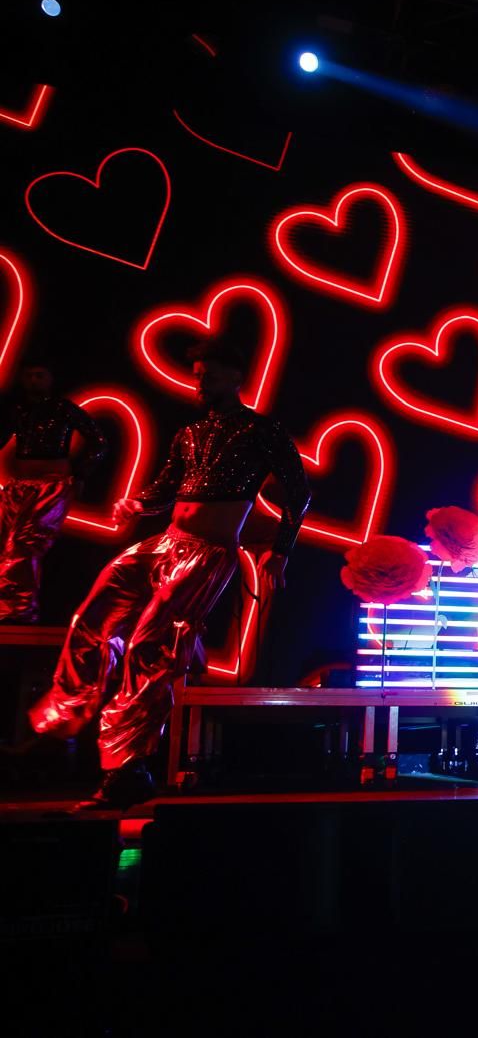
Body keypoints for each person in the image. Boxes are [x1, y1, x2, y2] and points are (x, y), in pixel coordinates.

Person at [29, 343, 311, 810]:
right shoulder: (190, 432)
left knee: (149, 648)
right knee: (92, 617)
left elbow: (298, 493)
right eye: (198, 375)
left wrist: (281, 552)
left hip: (207, 553)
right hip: (163, 542)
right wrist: (138, 503)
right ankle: (64, 718)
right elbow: (167, 487)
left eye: (211, 376)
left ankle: (126, 768)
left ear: (236, 378)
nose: (201, 384)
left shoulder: (261, 430)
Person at [0, 364, 108, 622]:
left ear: (51, 379)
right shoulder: (19, 411)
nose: (34, 380)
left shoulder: (63, 409)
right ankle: (14, 607)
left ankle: (19, 609)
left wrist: (81, 475)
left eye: (40, 375)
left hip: (51, 485)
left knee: (27, 543)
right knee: (7, 544)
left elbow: (99, 442)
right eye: (28, 375)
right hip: (20, 485)